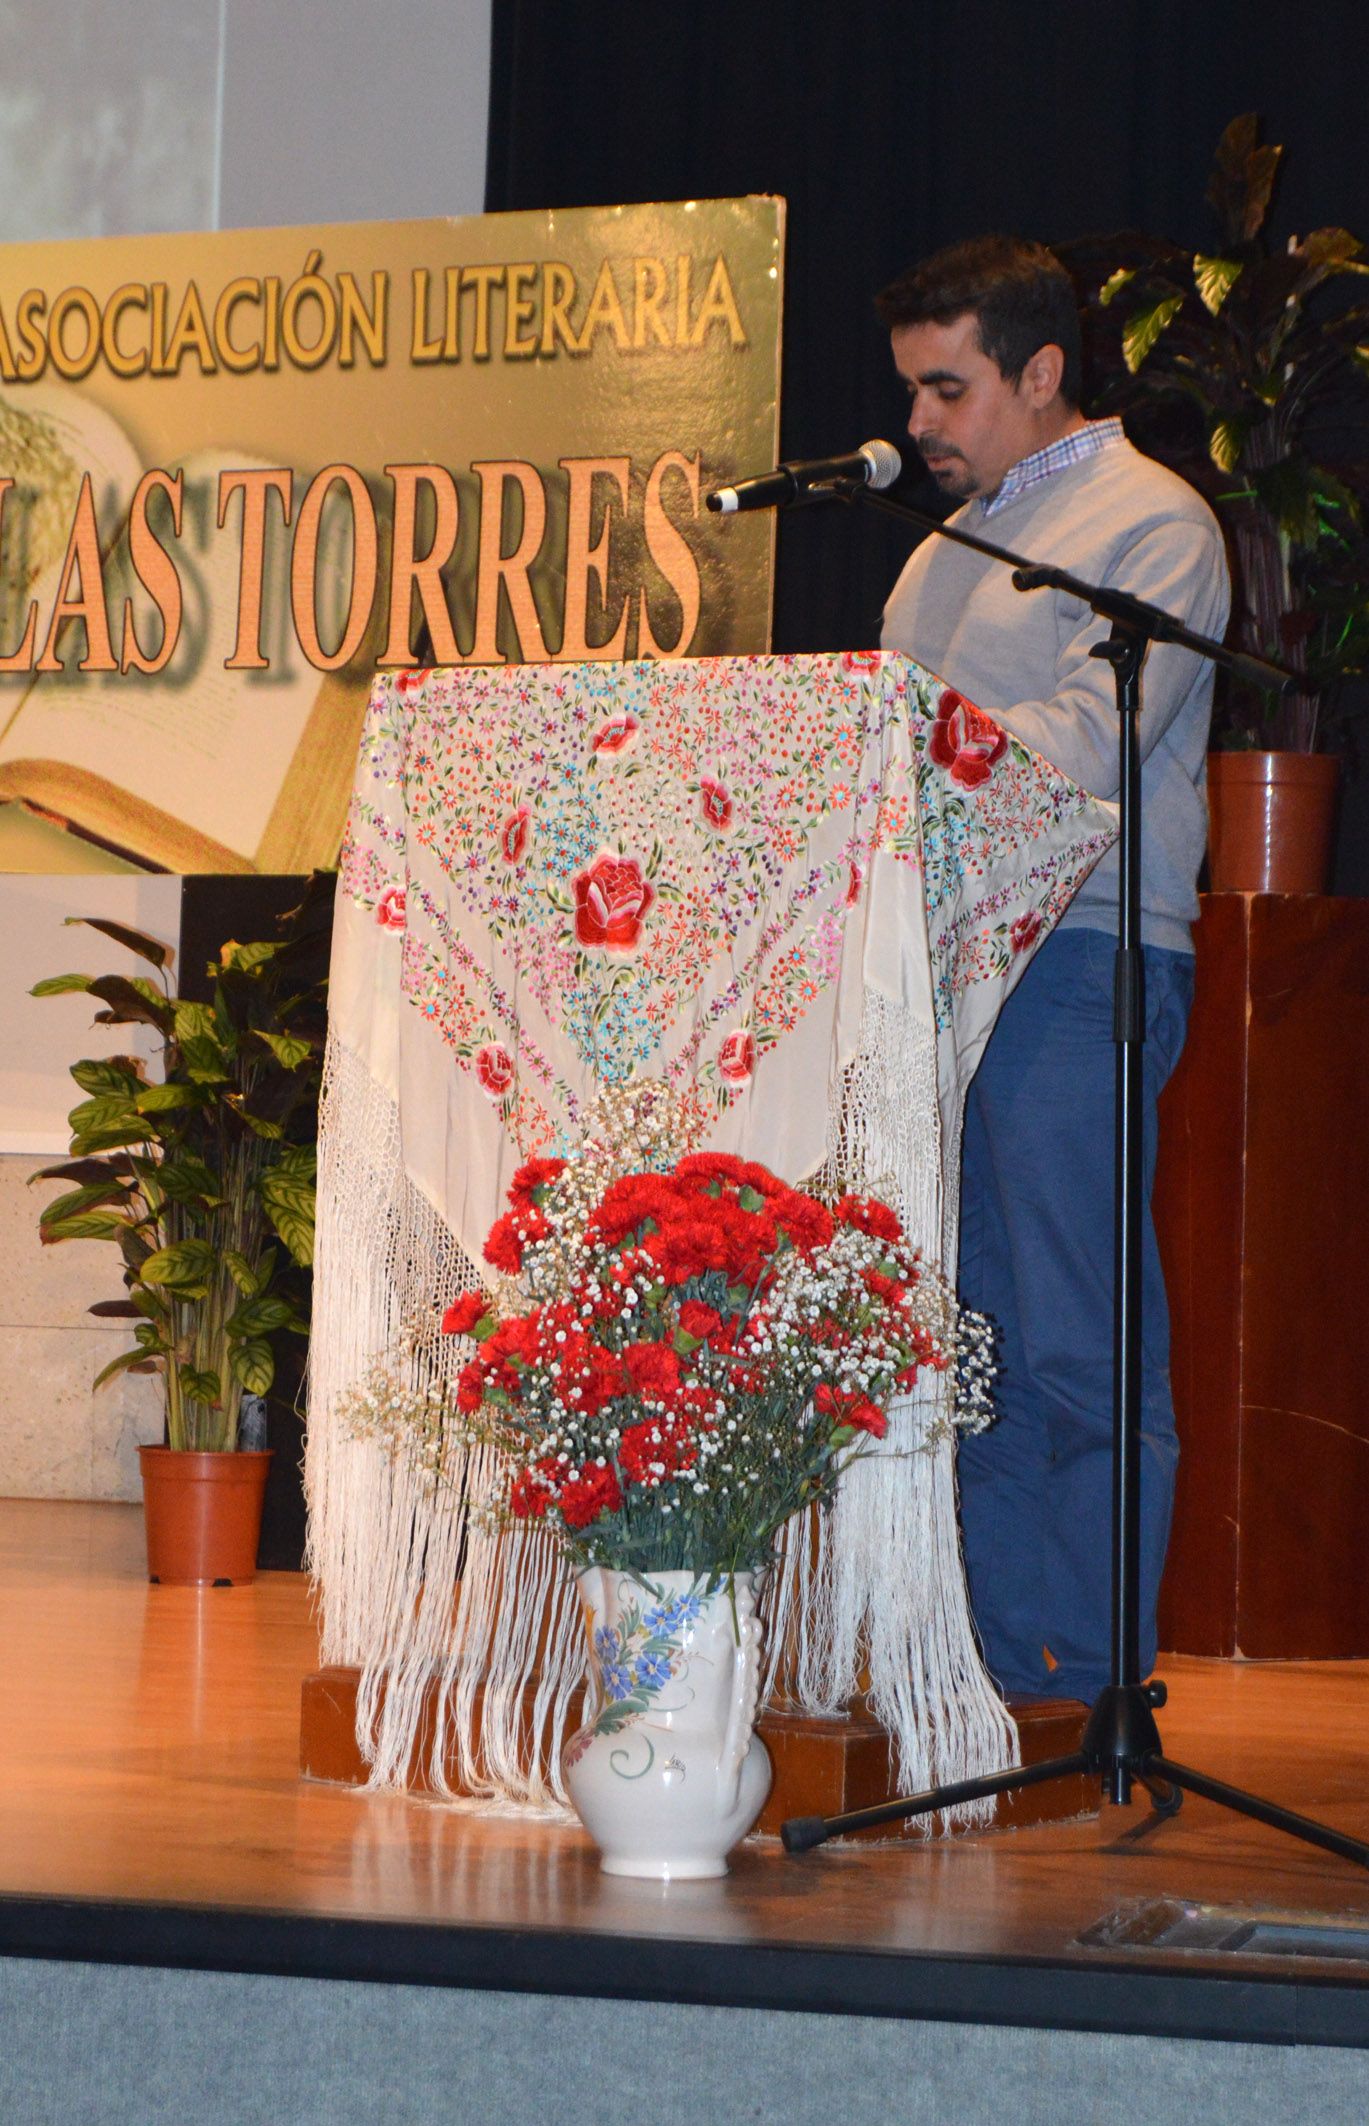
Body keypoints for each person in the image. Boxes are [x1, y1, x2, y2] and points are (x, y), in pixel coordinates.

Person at [877, 235, 1230, 1706]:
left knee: (1079, 1342)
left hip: (1080, 959)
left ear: (1038, 374)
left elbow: (1085, 754)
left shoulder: (1156, 525)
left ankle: (1088, 1683)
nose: (917, 426)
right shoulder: (933, 552)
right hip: (934, 971)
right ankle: (982, 1672)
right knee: (974, 1349)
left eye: (945, 390)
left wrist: (905, 755)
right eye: (909, 392)